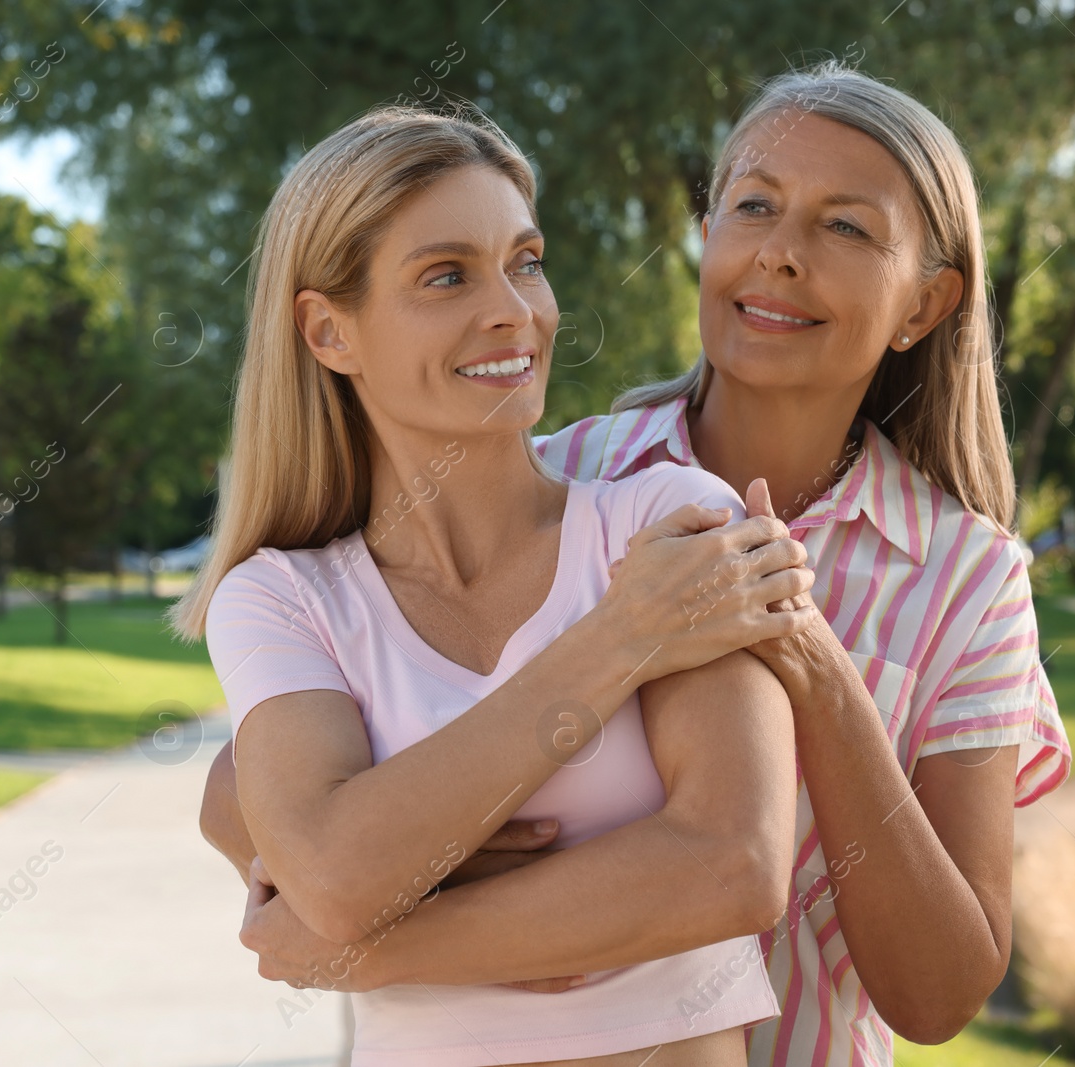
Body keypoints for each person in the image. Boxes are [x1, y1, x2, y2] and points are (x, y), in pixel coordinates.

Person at [211, 64, 1073, 1065]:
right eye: (752, 205)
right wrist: (397, 861)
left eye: (845, 226)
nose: (781, 254)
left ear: (923, 304)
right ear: (707, 236)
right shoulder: (554, 469)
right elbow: (247, 791)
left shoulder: (967, 578)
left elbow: (933, 987)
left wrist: (810, 660)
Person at [175, 105, 824, 1066]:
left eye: (525, 260)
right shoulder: (281, 597)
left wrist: (377, 939)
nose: (515, 311)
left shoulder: (670, 518)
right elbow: (338, 870)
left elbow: (733, 865)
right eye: (447, 276)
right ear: (328, 332)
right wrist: (622, 638)